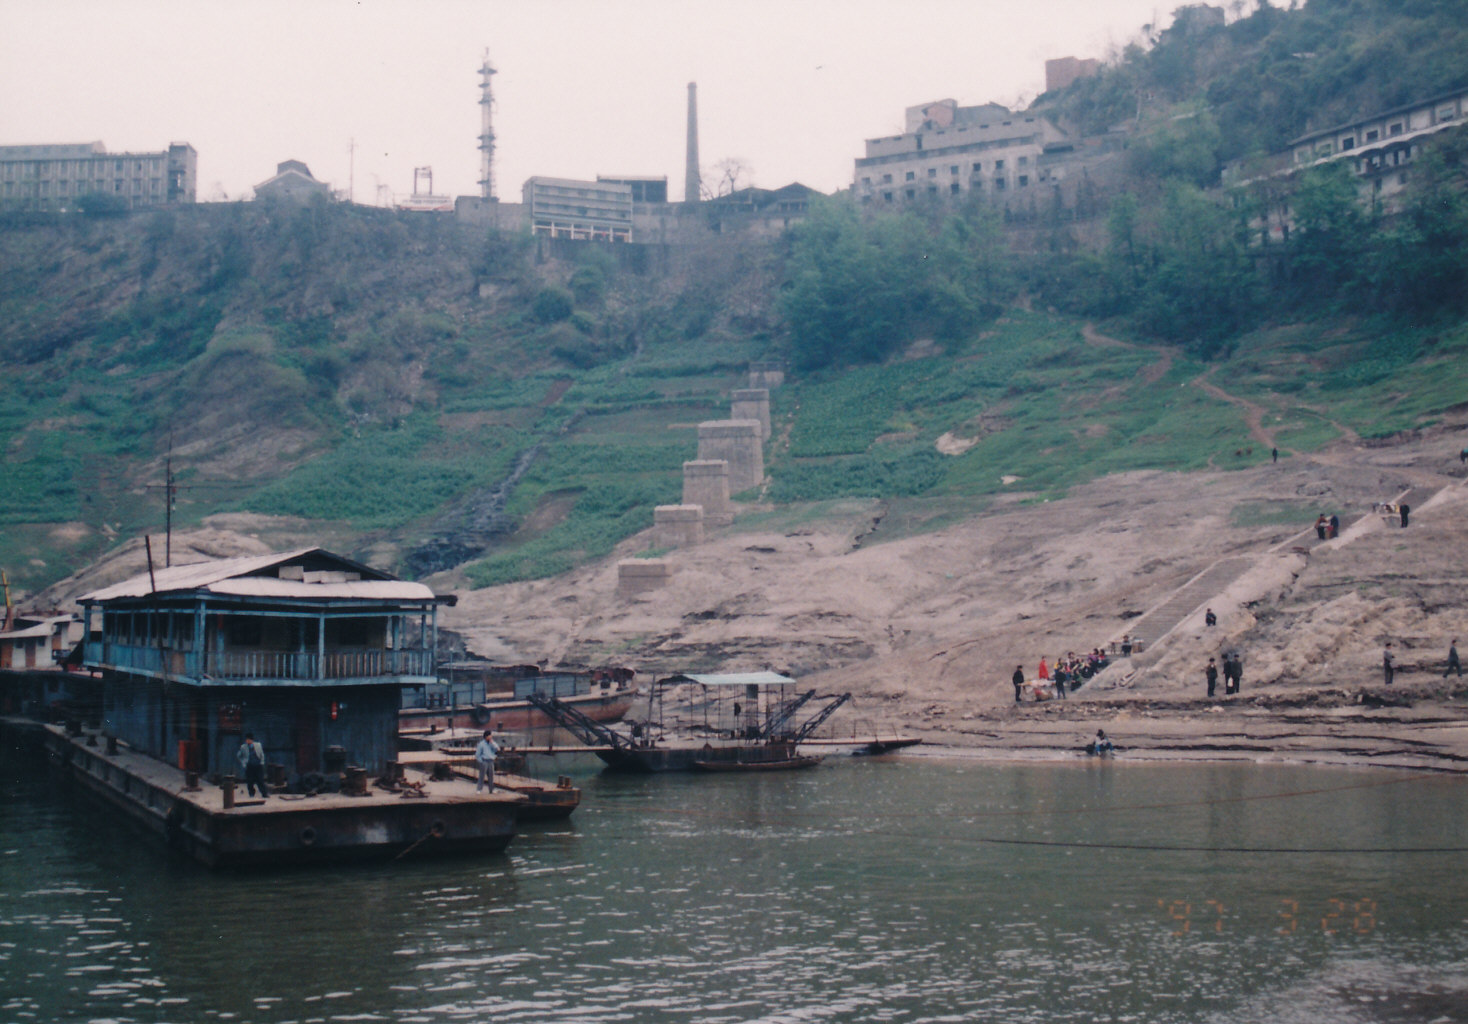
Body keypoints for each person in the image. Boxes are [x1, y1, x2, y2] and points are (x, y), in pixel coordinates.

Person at [236, 733, 268, 800]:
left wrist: (262, 762)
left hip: (258, 765)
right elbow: (239, 755)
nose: (247, 741)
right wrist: (243, 762)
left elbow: (262, 754)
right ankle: (251, 793)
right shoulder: (243, 747)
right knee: (250, 781)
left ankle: (264, 793)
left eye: (249, 740)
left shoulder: (258, 745)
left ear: (252, 740)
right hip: (249, 766)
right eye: (247, 740)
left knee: (260, 780)